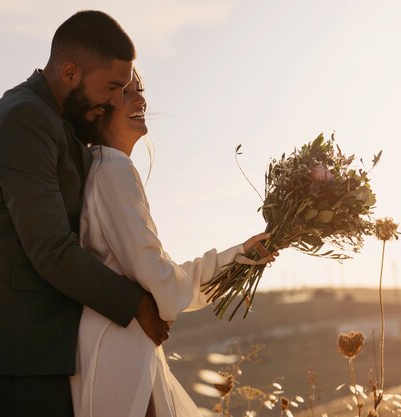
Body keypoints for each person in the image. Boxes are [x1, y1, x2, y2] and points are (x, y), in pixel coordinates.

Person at [0, 11, 169, 417]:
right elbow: (50, 248)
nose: (113, 100)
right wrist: (137, 304)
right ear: (70, 71)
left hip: (50, 336)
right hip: (23, 342)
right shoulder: (23, 120)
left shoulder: (58, 117)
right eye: (111, 87)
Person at [69, 70, 277, 417]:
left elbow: (156, 275)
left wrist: (239, 257)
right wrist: (235, 262)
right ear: (100, 108)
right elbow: (158, 277)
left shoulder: (99, 167)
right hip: (119, 346)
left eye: (142, 90)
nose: (141, 99)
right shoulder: (113, 169)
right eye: (127, 92)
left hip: (112, 341)